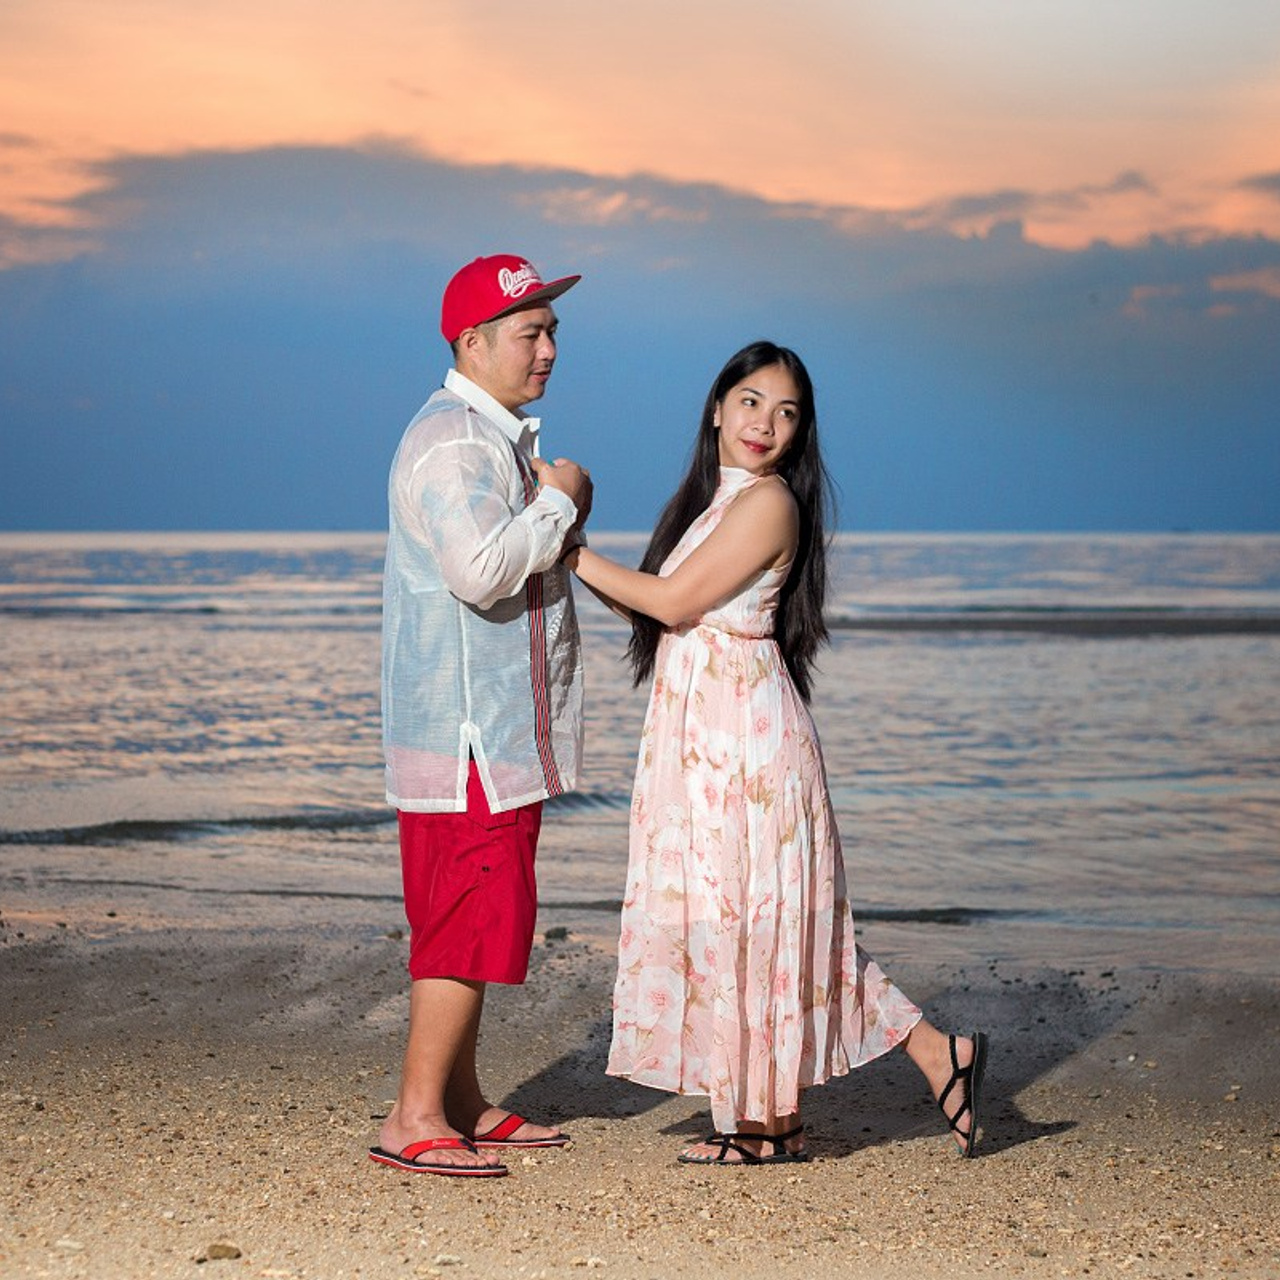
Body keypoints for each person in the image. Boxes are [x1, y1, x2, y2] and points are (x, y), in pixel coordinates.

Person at [566, 340, 989, 1164]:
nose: (766, 423)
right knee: (756, 925)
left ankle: (780, 1117)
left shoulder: (767, 506)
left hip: (744, 745)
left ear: (799, 435)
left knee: (755, 923)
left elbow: (673, 598)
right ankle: (816, 1103)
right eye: (753, 401)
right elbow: (663, 615)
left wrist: (563, 537)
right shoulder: (709, 506)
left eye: (786, 412)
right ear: (718, 407)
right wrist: (572, 548)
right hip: (704, 738)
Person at [370, 254, 592, 1178]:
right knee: (466, 918)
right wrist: (561, 500)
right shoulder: (460, 443)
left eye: (550, 332)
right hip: (469, 735)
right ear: (471, 342)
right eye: (527, 333)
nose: (547, 349)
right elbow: (481, 570)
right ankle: (415, 1114)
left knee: (470, 913)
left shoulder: (480, 437)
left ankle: (457, 1098)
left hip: (479, 732)